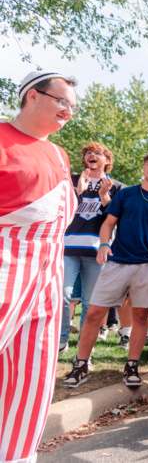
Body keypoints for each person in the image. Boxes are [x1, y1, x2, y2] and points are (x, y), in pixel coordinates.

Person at [1, 71, 78, 463]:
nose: (69, 110)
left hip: (48, 271)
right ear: (32, 95)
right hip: (6, 263)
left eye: (73, 106)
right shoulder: (1, 139)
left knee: (32, 375)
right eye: (62, 101)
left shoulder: (58, 154)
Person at [64, 151, 148, 388]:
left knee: (140, 317)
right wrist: (104, 245)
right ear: (144, 168)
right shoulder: (127, 194)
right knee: (95, 312)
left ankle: (132, 366)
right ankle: (81, 364)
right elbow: (108, 224)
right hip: (117, 262)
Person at [61, 142, 123, 352]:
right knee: (62, 294)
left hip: (97, 251)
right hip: (67, 248)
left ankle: (85, 344)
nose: (91, 155)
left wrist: (105, 199)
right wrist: (77, 192)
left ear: (107, 160)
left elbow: (117, 218)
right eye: (88, 152)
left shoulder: (116, 186)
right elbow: (60, 208)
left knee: (91, 301)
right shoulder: (72, 181)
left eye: (97, 153)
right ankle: (61, 340)